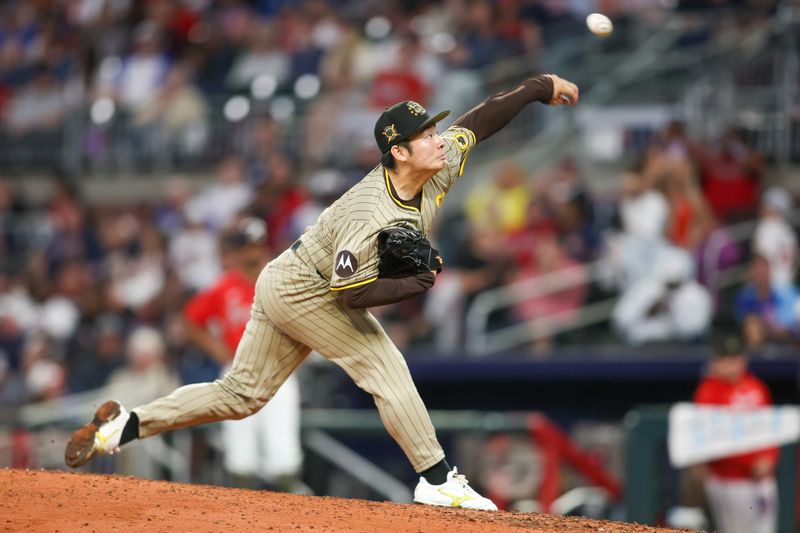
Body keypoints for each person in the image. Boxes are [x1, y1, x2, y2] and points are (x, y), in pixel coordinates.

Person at [64, 72, 580, 510]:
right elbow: (350, 296)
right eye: (425, 134)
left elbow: (480, 119)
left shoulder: (436, 163)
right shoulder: (369, 215)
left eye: (433, 127)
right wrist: (415, 283)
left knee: (241, 395)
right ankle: (439, 480)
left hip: (285, 277)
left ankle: (122, 428)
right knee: (381, 362)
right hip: (305, 288)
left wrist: (538, 87)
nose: (438, 137)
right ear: (399, 151)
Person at [182, 218, 304, 491]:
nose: (252, 252)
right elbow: (190, 319)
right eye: (246, 246)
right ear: (236, 251)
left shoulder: (284, 281)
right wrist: (216, 349)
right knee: (241, 460)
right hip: (239, 371)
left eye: (257, 245)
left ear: (266, 247)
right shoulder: (224, 287)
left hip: (277, 371)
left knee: (284, 460)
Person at [693, 334, 779, 533]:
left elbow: (770, 428)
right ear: (716, 362)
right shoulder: (708, 392)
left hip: (763, 478)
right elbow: (712, 440)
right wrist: (748, 464)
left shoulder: (756, 386)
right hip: (729, 480)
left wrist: (769, 458)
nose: (732, 365)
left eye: (736, 358)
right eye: (726, 359)